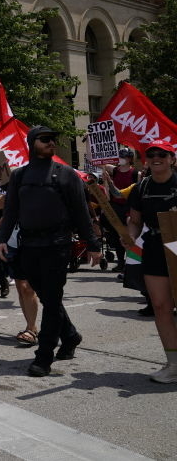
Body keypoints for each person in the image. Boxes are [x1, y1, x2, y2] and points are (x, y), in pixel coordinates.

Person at [0, 126, 101, 377]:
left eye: (54, 139)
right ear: (32, 143)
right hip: (28, 246)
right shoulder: (19, 176)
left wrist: (93, 244)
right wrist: (2, 239)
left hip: (57, 246)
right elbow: (10, 211)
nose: (52, 143)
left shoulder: (66, 174)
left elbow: (81, 212)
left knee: (52, 300)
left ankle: (44, 356)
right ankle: (71, 335)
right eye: (45, 139)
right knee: (48, 298)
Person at [125, 139, 177, 383]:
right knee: (160, 306)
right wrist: (131, 237)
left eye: (162, 154)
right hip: (155, 247)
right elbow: (135, 221)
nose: (156, 157)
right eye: (151, 154)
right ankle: (174, 364)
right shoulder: (141, 187)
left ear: (171, 159)